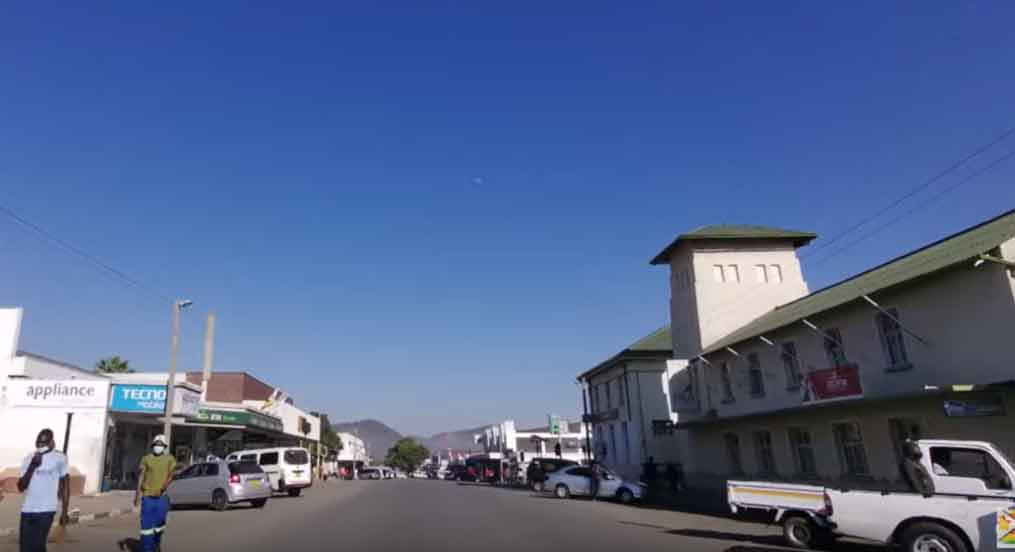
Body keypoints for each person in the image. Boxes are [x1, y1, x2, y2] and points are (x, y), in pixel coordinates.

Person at [17, 428, 70, 552]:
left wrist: (64, 512)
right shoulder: (28, 459)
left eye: (44, 443)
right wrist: (32, 466)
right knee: (25, 548)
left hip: (47, 509)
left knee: (37, 545)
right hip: (27, 509)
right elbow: (21, 487)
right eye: (39, 443)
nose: (41, 446)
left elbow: (66, 486)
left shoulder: (60, 458)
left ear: (52, 443)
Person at [135, 435, 176, 552]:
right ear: (152, 445)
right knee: (146, 527)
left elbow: (171, 475)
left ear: (164, 447)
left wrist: (164, 487)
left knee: (159, 526)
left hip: (161, 498)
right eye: (156, 444)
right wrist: (137, 495)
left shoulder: (170, 459)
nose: (158, 446)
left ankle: (156, 545)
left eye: (160, 445)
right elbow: (141, 476)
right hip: (147, 497)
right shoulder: (146, 459)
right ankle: (146, 549)